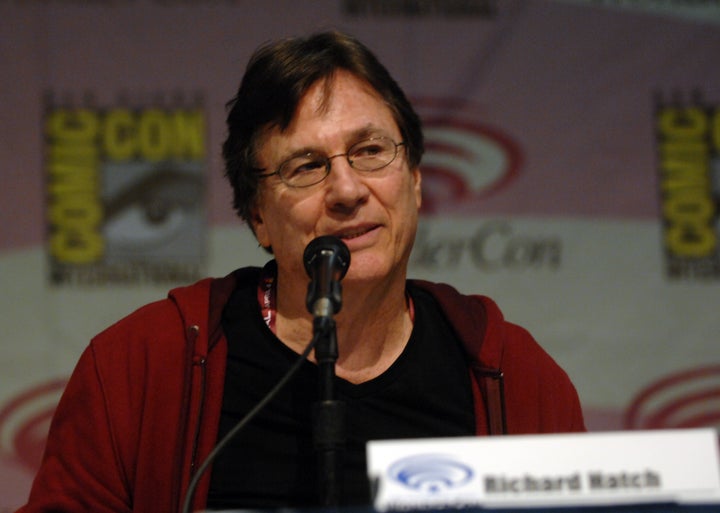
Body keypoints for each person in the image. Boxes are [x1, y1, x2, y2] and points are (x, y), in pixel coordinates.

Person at [17, 30, 585, 513]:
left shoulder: (513, 374)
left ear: (413, 178)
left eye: (369, 151)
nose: (346, 190)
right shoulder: (140, 367)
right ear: (258, 215)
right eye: (307, 166)